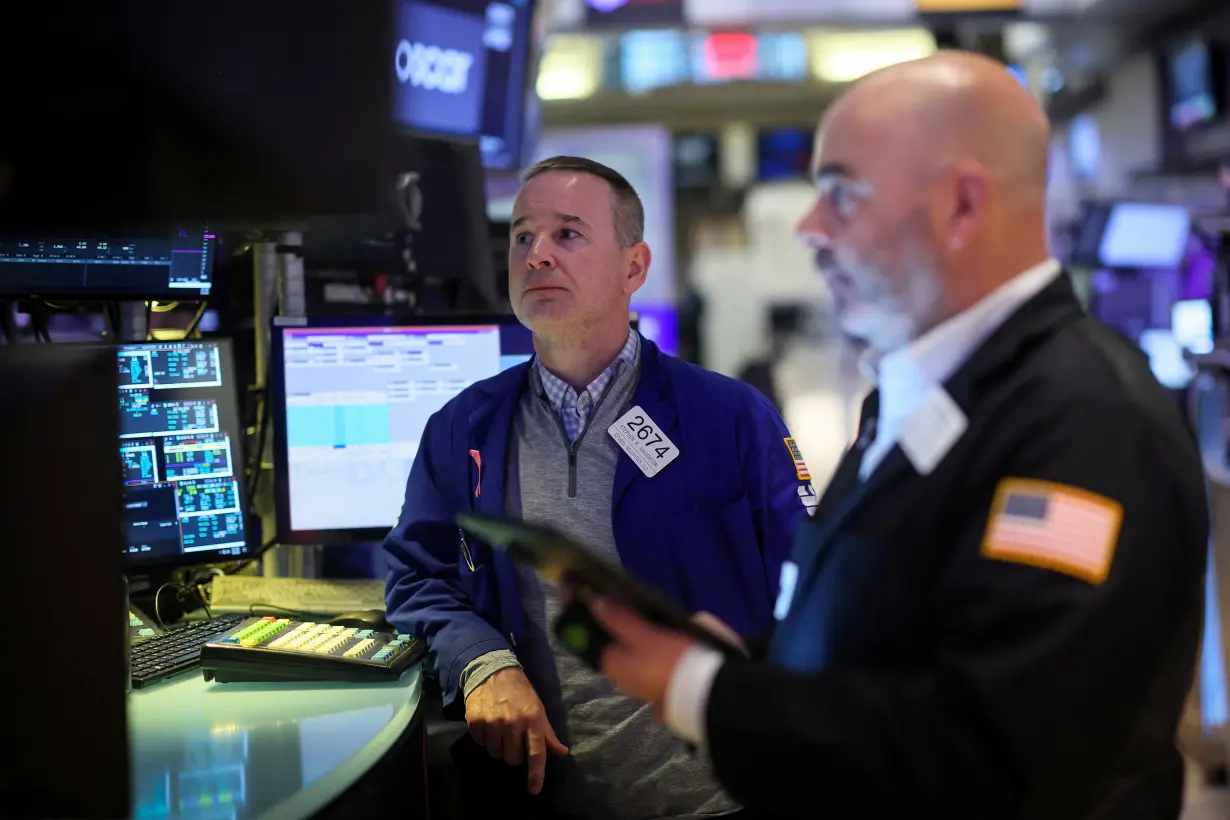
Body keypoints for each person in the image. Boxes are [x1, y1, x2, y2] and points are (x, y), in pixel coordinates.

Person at [582, 51, 1210, 819]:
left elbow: (991, 755)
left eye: (840, 195)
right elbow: (894, 632)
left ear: (962, 206)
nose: (809, 231)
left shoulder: (1085, 422)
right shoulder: (919, 395)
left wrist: (705, 692)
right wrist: (751, 665)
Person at [383, 156, 812, 819]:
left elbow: (809, 590)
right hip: (538, 800)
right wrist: (482, 661)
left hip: (716, 801)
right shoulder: (463, 428)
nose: (537, 256)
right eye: (522, 237)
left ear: (633, 269)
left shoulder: (731, 418)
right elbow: (417, 575)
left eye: (568, 234)